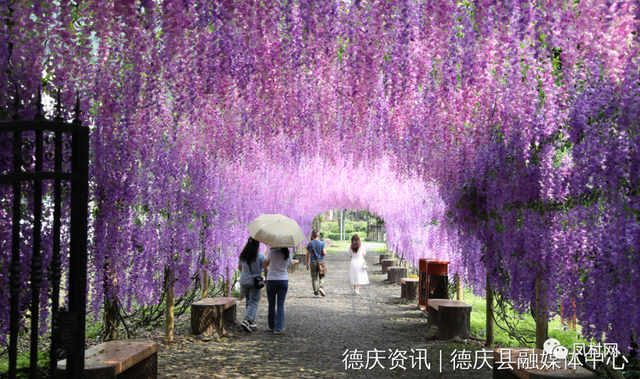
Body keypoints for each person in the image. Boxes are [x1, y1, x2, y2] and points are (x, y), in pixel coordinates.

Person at [237, 237, 265, 332]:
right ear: (257, 245)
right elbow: (265, 267)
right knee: (253, 301)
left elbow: (239, 267)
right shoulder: (260, 256)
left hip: (244, 281)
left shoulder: (243, 255)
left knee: (249, 300)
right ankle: (246, 320)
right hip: (254, 282)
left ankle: (251, 322)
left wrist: (245, 275)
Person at [265, 246, 292, 334]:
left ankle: (272, 326)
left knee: (271, 304)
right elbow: (287, 266)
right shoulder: (289, 255)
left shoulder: (272, 253)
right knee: (280, 305)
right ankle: (278, 328)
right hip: (283, 280)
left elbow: (265, 264)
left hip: (271, 280)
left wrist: (269, 253)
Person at [306, 229, 327, 297]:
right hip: (321, 262)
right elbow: (324, 253)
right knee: (322, 276)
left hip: (312, 262)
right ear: (318, 235)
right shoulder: (322, 243)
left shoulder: (309, 244)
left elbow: (307, 255)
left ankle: (316, 293)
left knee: (314, 278)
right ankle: (321, 287)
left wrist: (307, 264)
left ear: (312, 236)